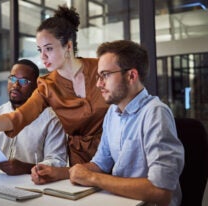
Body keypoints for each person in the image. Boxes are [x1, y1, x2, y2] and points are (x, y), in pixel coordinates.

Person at [0, 5, 108, 181]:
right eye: (40, 50)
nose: (43, 57)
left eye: (49, 48)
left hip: (114, 153)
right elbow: (17, 118)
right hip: (79, 164)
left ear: (68, 46)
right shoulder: (47, 85)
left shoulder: (101, 69)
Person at [68, 40, 185, 206]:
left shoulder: (155, 113)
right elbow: (101, 164)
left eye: (105, 75)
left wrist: (92, 178)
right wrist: (58, 173)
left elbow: (161, 191)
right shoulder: (112, 113)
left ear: (131, 76)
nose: (98, 84)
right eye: (98, 76)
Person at [0, 59, 67, 175]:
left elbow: (58, 162)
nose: (16, 85)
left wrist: (26, 168)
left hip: (31, 183)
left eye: (23, 81)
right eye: (12, 79)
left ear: (36, 86)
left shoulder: (51, 120)